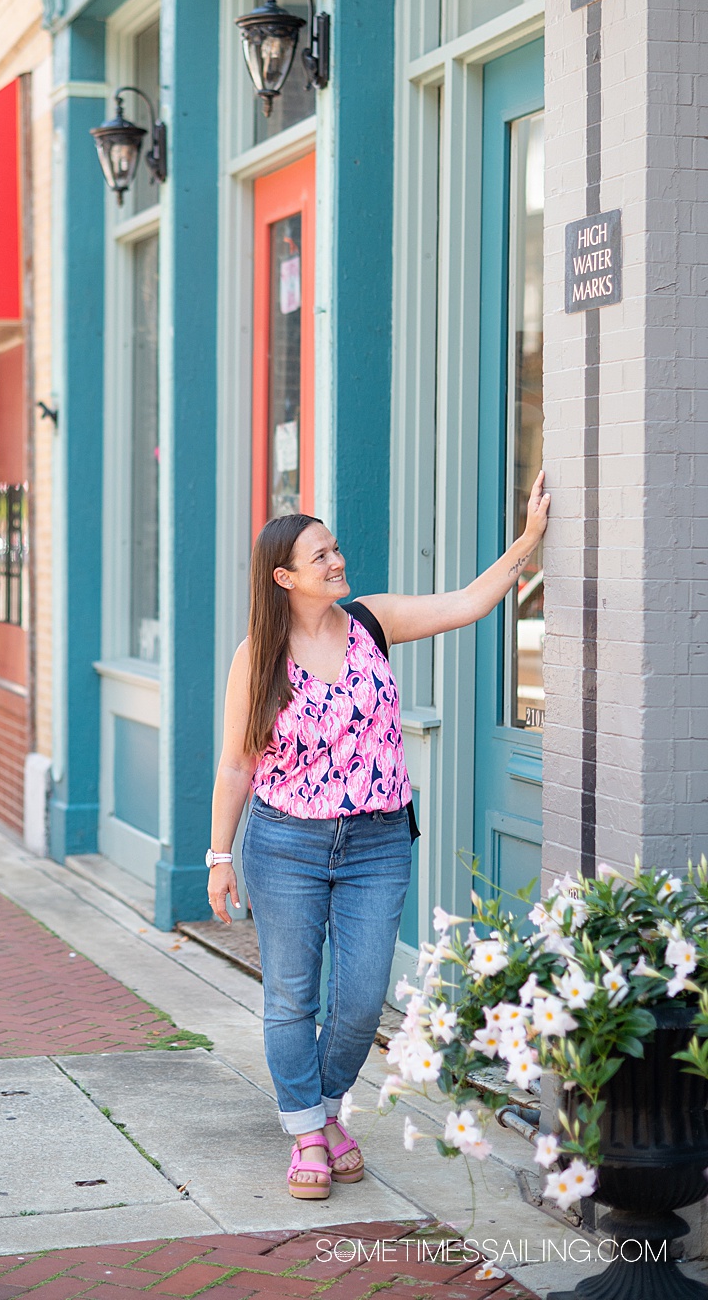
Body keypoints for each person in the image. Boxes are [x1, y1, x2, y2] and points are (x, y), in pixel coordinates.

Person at [206, 471, 550, 1201]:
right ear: (283, 576)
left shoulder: (371, 621)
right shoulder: (256, 657)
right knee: (293, 996)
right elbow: (236, 762)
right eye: (320, 555)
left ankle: (326, 1111)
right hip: (286, 844)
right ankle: (308, 1133)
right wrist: (218, 855)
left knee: (362, 998)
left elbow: (465, 603)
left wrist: (527, 542)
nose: (336, 561)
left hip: (377, 842)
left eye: (334, 548)